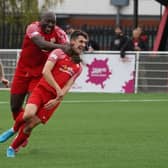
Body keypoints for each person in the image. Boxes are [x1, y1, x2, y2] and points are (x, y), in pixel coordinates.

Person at [0, 30, 88, 158]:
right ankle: (13, 130)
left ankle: (12, 148)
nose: (83, 44)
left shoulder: (78, 67)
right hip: (41, 90)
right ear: (72, 41)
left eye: (85, 42)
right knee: (28, 115)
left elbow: (68, 87)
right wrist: (58, 89)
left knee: (30, 126)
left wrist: (57, 99)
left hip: (53, 100)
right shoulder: (58, 53)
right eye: (81, 41)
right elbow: (46, 71)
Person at [10, 11, 68, 122]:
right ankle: (19, 128)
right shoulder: (33, 28)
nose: (50, 24)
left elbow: (67, 48)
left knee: (30, 109)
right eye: (48, 21)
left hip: (40, 74)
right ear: (41, 20)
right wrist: (61, 47)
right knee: (15, 106)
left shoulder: (59, 32)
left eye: (53, 22)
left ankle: (22, 135)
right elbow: (41, 43)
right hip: (23, 71)